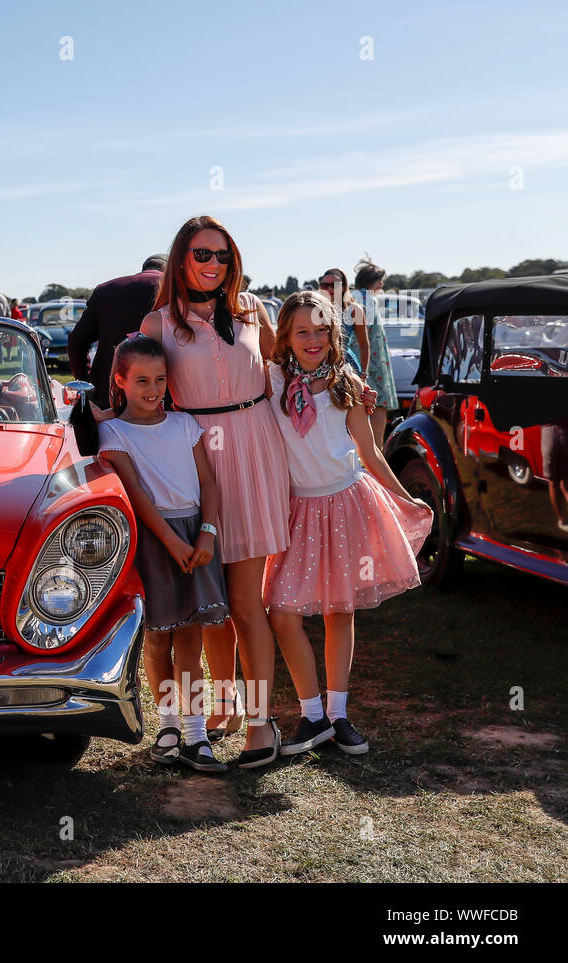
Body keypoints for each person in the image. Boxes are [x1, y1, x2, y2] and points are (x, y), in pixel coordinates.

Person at [135, 215, 289, 768]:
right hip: (192, 463)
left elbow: (289, 372)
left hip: (255, 456)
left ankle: (259, 725)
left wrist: (347, 387)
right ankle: (198, 718)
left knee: (247, 604)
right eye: (202, 254)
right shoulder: (157, 324)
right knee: (202, 609)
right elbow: (130, 395)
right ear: (181, 260)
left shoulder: (254, 311)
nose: (213, 265)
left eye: (222, 256)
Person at [262, 290, 433, 755]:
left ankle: (338, 714)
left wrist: (406, 498)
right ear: (286, 336)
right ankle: (311, 713)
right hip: (298, 508)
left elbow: (369, 451)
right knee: (281, 611)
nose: (313, 339)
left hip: (346, 502)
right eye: (302, 331)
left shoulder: (346, 381)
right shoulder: (272, 381)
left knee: (340, 609)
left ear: (334, 334)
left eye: (321, 330)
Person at [98, 334, 229, 772]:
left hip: (196, 534)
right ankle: (168, 727)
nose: (152, 390)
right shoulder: (112, 432)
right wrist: (171, 542)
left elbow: (209, 482)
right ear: (120, 380)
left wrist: (206, 533)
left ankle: (196, 735)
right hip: (154, 539)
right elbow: (136, 495)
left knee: (191, 641)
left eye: (159, 379)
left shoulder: (185, 423)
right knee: (157, 639)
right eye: (141, 381)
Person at [68, 254, 166, 410]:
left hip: (108, 396)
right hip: (159, 401)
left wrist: (86, 382)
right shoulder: (173, 289)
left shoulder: (105, 290)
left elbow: (76, 341)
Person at [352, 258, 399, 444]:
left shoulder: (352, 298)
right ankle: (377, 449)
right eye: (380, 281)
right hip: (373, 359)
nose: (382, 284)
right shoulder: (368, 300)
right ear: (372, 281)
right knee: (379, 404)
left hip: (358, 358)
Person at [317, 267, 368, 374]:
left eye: (335, 285)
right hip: (318, 364)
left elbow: (364, 345)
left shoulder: (354, 310)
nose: (330, 289)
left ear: (344, 287)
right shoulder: (313, 309)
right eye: (325, 285)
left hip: (347, 365)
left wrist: (363, 374)